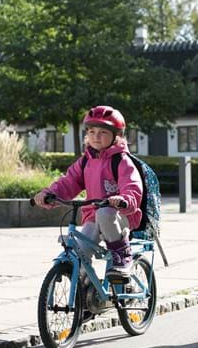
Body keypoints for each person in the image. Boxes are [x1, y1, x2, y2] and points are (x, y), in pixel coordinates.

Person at [33, 106, 143, 280]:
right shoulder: (86, 161)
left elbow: (132, 186)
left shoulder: (121, 161)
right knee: (79, 252)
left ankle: (122, 255)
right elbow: (68, 182)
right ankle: (87, 292)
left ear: (117, 136)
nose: (96, 137)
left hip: (119, 215)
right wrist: (49, 194)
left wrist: (124, 199)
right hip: (92, 217)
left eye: (103, 132)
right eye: (92, 131)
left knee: (105, 212)